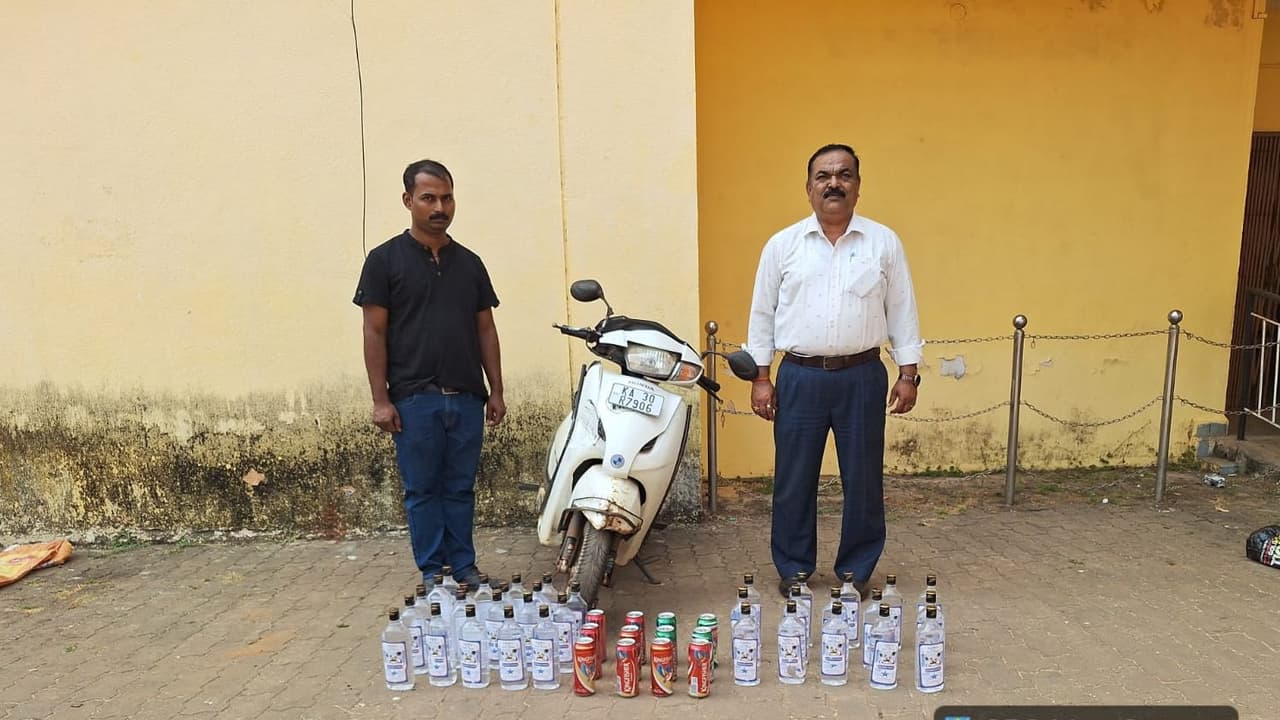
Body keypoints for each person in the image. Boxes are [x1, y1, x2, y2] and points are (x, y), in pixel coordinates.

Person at [746, 143, 923, 599]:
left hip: (861, 377)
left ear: (858, 187)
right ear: (808, 188)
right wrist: (761, 378)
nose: (834, 184)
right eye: (823, 176)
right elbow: (762, 314)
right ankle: (794, 568)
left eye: (844, 175)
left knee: (863, 480)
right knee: (793, 479)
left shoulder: (883, 243)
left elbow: (902, 308)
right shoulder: (783, 245)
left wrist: (908, 373)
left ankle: (855, 571)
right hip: (799, 377)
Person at [353, 158, 506, 589]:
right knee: (421, 490)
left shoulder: (470, 264)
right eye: (429, 198)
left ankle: (464, 568)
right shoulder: (384, 261)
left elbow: (486, 329)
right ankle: (433, 573)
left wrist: (496, 389)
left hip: (466, 396)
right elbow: (373, 331)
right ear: (408, 201)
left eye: (447, 198)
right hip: (413, 399)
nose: (440, 207)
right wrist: (381, 399)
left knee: (460, 488)